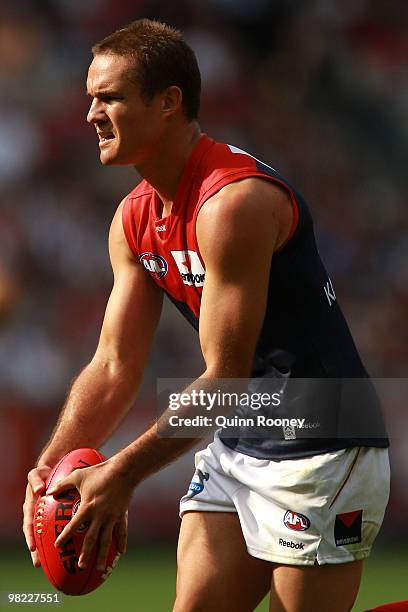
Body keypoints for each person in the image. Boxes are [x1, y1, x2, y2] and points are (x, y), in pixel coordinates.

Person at [23, 19, 390, 612]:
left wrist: (120, 474)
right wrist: (47, 470)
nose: (91, 113)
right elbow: (115, 365)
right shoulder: (133, 218)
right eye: (90, 97)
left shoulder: (234, 204)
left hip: (323, 441)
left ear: (169, 102)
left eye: (109, 96)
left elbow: (226, 378)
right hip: (238, 438)